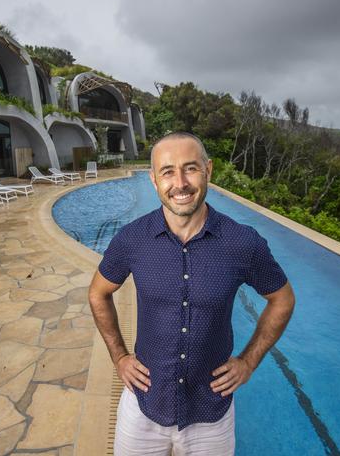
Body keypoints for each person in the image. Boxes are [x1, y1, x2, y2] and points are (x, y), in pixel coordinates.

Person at [88, 132, 295, 455]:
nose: (180, 183)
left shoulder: (243, 243)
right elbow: (98, 293)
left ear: (208, 170)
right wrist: (119, 357)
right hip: (144, 405)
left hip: (211, 414)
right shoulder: (132, 239)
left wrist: (248, 362)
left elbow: (282, 299)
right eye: (168, 171)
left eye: (191, 168)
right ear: (153, 179)